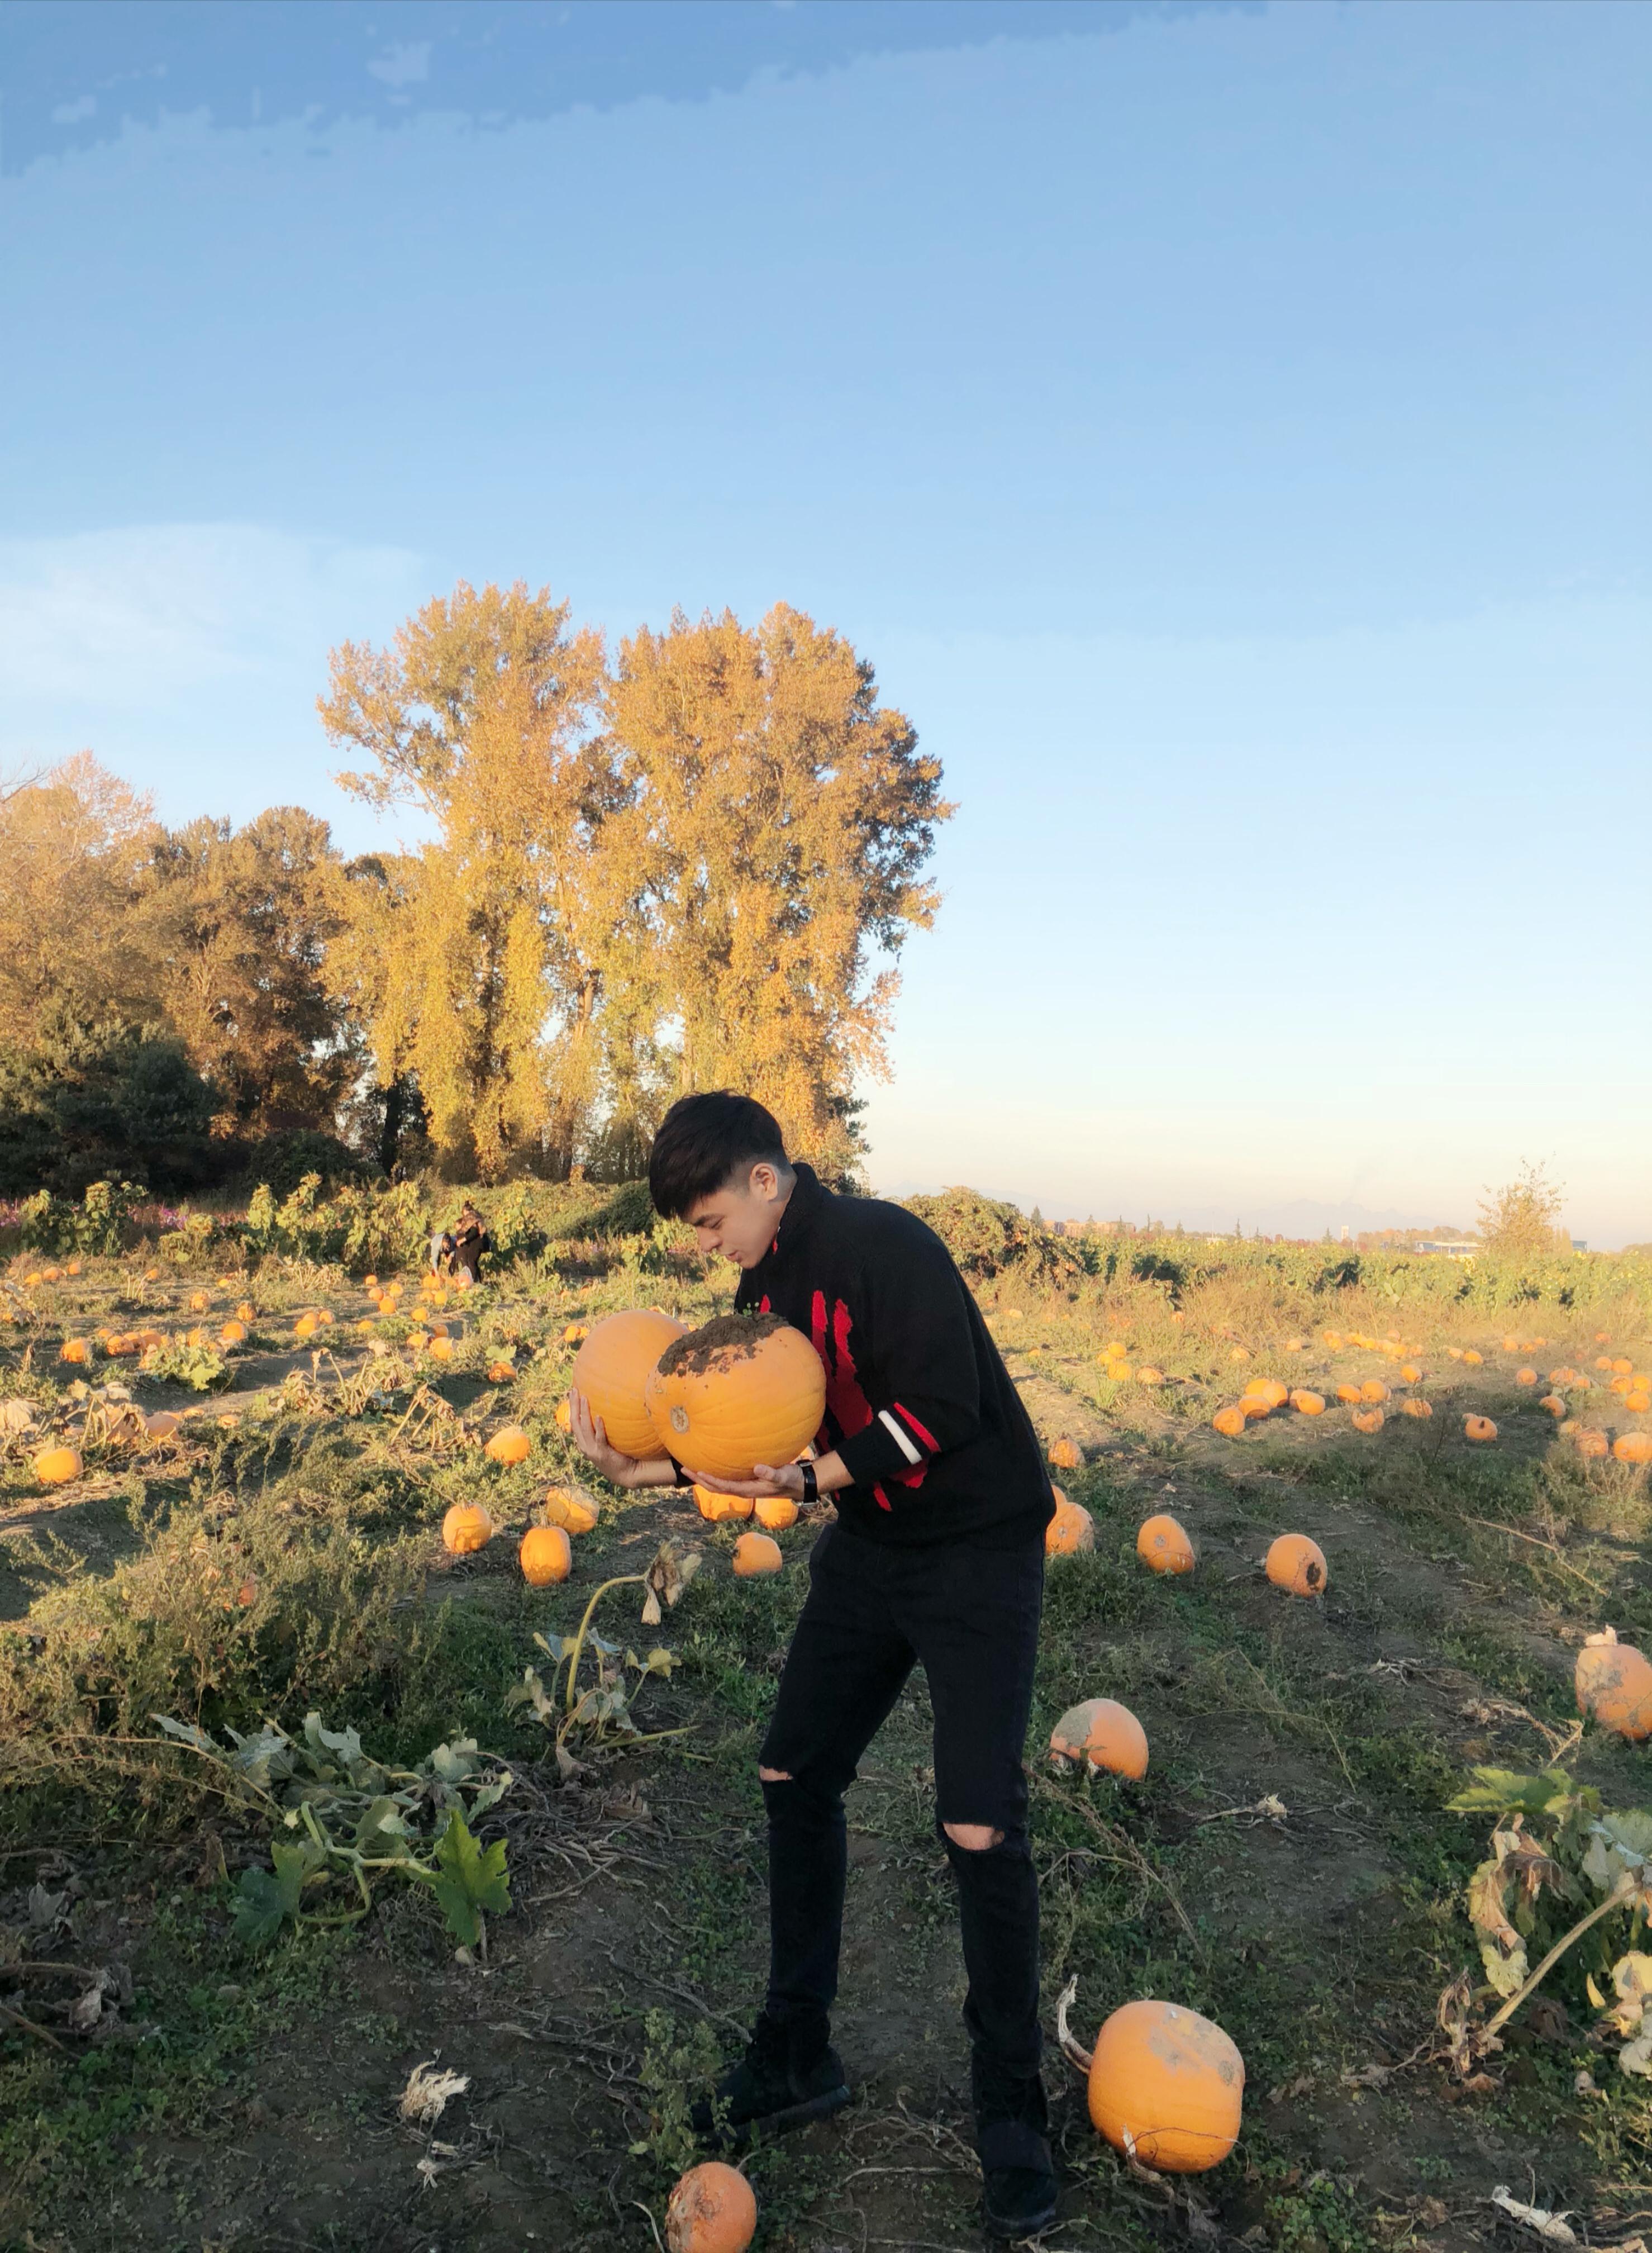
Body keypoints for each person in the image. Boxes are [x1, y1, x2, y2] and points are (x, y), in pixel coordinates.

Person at [569, 1092, 1058, 2241]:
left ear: (762, 1178)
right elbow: (758, 1455)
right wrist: (652, 1476)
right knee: (793, 1773)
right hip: (875, 1550)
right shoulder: (760, 1299)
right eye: (691, 1235)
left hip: (977, 1550)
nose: (705, 1247)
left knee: (976, 1824)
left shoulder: (885, 1245)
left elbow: (943, 1406)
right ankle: (796, 2053)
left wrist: (813, 1481)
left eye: (706, 1221)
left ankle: (1011, 2113)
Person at [449, 1201, 491, 1286]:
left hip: (478, 1242)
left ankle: (473, 1283)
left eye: (463, 1212)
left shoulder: (471, 1217)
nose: (463, 1215)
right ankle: (479, 1282)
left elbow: (474, 1232)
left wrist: (463, 1240)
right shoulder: (476, 1215)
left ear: (465, 1211)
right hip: (481, 1241)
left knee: (471, 1261)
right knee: (473, 1262)